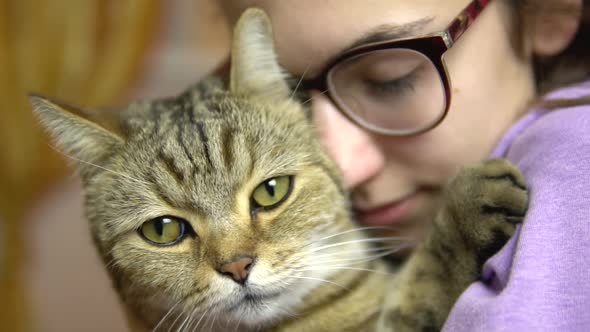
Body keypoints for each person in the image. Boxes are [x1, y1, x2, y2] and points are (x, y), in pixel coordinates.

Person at [215, 0, 590, 330]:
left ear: (546, 9)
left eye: (390, 80)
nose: (342, 170)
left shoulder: (573, 154)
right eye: (294, 102)